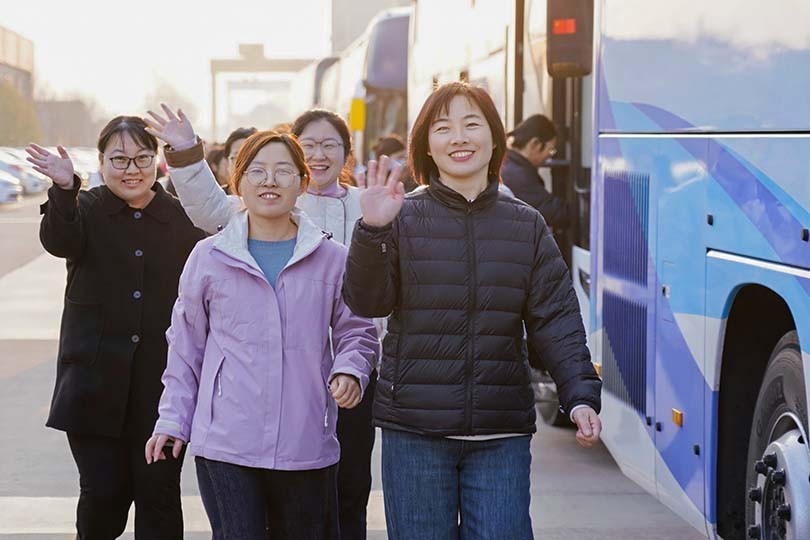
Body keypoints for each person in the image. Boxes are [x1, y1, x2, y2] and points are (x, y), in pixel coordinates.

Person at [341, 82, 603, 539]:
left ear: (495, 138)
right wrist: (372, 231)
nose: (459, 138)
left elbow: (556, 319)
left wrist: (580, 395)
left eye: (471, 124)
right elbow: (367, 302)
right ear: (427, 145)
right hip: (415, 432)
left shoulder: (526, 223)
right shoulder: (400, 216)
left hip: (499, 433)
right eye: (443, 128)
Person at [147, 106, 380, 540]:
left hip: (305, 442)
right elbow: (185, 348)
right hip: (226, 442)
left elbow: (358, 330)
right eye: (256, 171)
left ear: (302, 183)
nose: (269, 181)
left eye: (283, 171)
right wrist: (173, 419)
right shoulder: (209, 257)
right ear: (238, 183)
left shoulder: (332, 259)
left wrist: (350, 369)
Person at [27, 114, 205, 539]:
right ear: (102, 162)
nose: (132, 170)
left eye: (142, 158)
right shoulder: (85, 209)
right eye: (119, 159)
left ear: (156, 161)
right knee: (103, 497)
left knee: (158, 496)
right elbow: (58, 240)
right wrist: (64, 189)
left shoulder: (181, 217)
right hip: (93, 387)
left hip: (162, 390)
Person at [501, 114, 570, 229]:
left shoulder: (508, 163)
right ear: (535, 144)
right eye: (551, 150)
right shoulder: (518, 175)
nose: (549, 156)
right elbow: (554, 212)